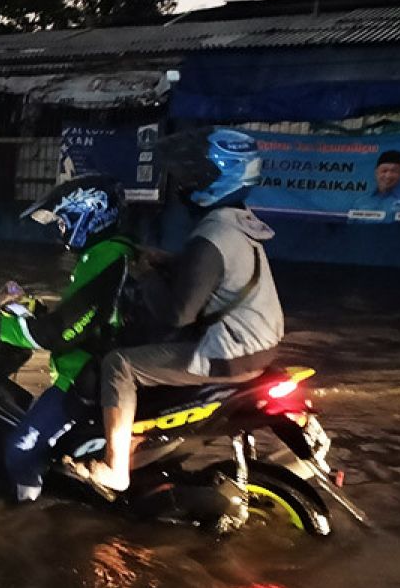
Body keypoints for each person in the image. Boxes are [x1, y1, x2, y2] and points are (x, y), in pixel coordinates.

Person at [89, 128, 284, 493]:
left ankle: (116, 469)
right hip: (261, 346)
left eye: (197, 174)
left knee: (119, 364)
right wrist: (169, 262)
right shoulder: (236, 222)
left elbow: (177, 314)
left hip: (231, 354)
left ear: (222, 178)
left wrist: (146, 275)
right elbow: (218, 276)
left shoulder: (210, 236)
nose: (186, 183)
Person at [0, 175, 138, 501]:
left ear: (90, 215)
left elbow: (65, 330)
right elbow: (86, 311)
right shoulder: (115, 251)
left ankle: (26, 513)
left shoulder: (105, 257)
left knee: (19, 448)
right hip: (97, 366)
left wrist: (5, 328)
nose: (61, 229)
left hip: (83, 376)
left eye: (64, 221)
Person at [355, 150, 400, 218]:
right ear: (376, 172)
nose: (388, 176)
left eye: (394, 171)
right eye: (384, 171)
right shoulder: (361, 202)